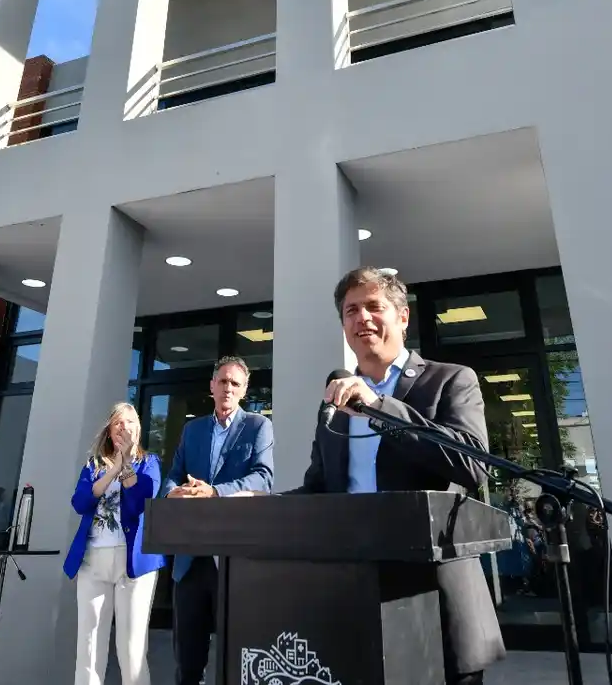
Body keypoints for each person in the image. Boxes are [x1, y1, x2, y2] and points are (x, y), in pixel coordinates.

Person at [298, 267, 505, 685]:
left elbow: (473, 465)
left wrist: (380, 407)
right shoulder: (336, 405)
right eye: (351, 311)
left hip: (435, 601)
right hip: (357, 598)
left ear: (403, 316)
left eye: (373, 306)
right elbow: (320, 490)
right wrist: (251, 501)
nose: (362, 318)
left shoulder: (450, 380)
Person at [159, 356, 274, 685]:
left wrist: (214, 492)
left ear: (245, 390)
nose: (228, 388)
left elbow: (263, 478)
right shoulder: (192, 429)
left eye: (235, 383)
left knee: (236, 659)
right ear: (212, 386)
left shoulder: (258, 426)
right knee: (188, 663)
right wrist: (173, 492)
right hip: (190, 560)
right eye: (223, 381)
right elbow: (174, 474)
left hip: (233, 559)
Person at [65, 402, 164, 685]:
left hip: (133, 563)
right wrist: (113, 470)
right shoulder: (93, 465)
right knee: (89, 644)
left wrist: (127, 466)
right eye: (118, 422)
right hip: (93, 560)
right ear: (110, 430)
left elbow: (144, 501)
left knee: (131, 647)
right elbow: (80, 502)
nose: (124, 427)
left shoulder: (150, 462)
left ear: (138, 430)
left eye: (130, 421)